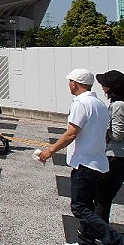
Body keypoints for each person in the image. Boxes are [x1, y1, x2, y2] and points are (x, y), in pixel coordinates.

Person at [39, 69, 123, 245]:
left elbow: (71, 134)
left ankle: (114, 239)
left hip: (85, 163)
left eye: (69, 81)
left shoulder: (81, 104)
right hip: (98, 162)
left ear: (75, 83)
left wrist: (50, 151)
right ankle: (86, 241)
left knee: (79, 207)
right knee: (89, 205)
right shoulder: (99, 104)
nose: (69, 84)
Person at [94, 70, 124, 227]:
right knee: (104, 196)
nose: (102, 87)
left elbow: (117, 134)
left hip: (116, 157)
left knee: (102, 196)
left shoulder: (118, 105)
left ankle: (100, 232)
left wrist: (103, 130)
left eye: (104, 84)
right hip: (117, 156)